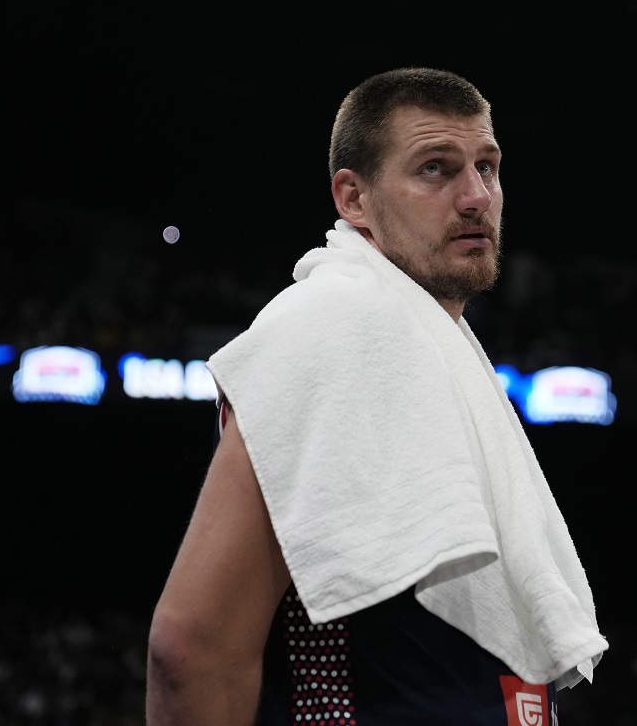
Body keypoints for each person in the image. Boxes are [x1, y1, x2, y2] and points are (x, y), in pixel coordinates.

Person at [146, 67, 607, 726]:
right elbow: (192, 647)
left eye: (488, 167)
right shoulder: (335, 324)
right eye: (436, 170)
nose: (476, 196)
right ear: (354, 200)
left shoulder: (422, 339)